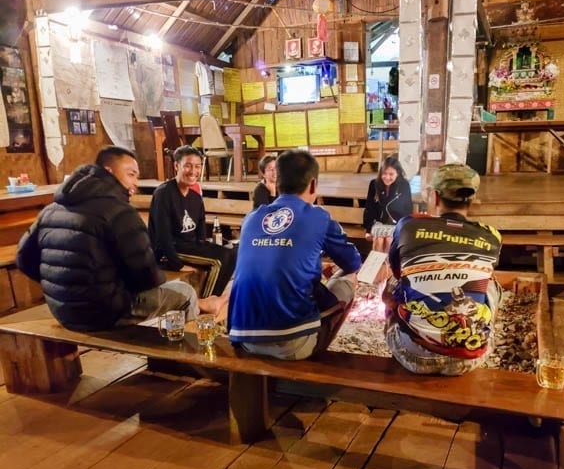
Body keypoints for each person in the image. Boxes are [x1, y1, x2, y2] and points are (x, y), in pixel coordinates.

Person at [15, 146, 225, 332]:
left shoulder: (51, 210)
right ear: (109, 171)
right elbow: (146, 276)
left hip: (63, 310)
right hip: (105, 311)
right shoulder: (119, 212)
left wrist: (61, 287)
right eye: (131, 174)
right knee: (185, 293)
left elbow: (24, 260)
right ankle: (180, 355)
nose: (135, 183)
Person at [228, 149, 362, 360]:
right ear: (313, 184)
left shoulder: (251, 218)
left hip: (244, 338)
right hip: (291, 344)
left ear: (277, 182)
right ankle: (317, 361)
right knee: (348, 279)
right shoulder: (318, 217)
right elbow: (353, 261)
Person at [382, 163, 503, 376]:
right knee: (490, 282)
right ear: (472, 199)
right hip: (467, 360)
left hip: (411, 356)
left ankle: (404, 329)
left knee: (395, 282)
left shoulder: (408, 225)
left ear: (435, 197)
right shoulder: (491, 235)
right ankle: (479, 331)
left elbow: (396, 271)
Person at [148, 145, 236, 296]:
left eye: (197, 166)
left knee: (233, 252)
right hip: (170, 249)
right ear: (177, 165)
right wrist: (177, 264)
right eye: (188, 166)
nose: (193, 171)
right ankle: (206, 301)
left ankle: (214, 297)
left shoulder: (195, 197)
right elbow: (162, 236)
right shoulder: (163, 194)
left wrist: (207, 246)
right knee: (219, 259)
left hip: (190, 245)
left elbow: (200, 228)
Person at [363, 155, 413, 252]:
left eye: (391, 174)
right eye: (384, 174)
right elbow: (369, 207)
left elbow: (408, 209)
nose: (387, 177)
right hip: (378, 223)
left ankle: (388, 266)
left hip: (396, 224)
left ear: (397, 173)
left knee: (390, 240)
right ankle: (377, 266)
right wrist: (368, 230)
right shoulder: (374, 184)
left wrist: (404, 229)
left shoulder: (404, 185)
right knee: (378, 240)